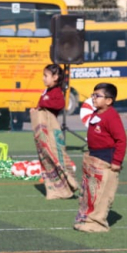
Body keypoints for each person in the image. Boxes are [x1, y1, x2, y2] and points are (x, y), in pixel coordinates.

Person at [74, 82, 127, 232]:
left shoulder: (112, 116)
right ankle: (87, 218)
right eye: (93, 95)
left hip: (106, 157)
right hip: (94, 156)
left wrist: (117, 161)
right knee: (90, 191)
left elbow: (121, 140)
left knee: (102, 191)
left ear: (108, 100)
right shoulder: (96, 113)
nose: (93, 98)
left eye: (97, 96)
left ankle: (97, 222)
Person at [29, 64, 78, 199]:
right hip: (45, 130)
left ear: (55, 77)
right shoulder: (47, 91)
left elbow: (60, 104)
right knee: (47, 157)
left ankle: (69, 184)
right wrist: (36, 109)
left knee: (55, 156)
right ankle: (56, 189)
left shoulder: (56, 91)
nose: (43, 78)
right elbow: (41, 105)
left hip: (51, 130)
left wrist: (43, 104)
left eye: (46, 76)